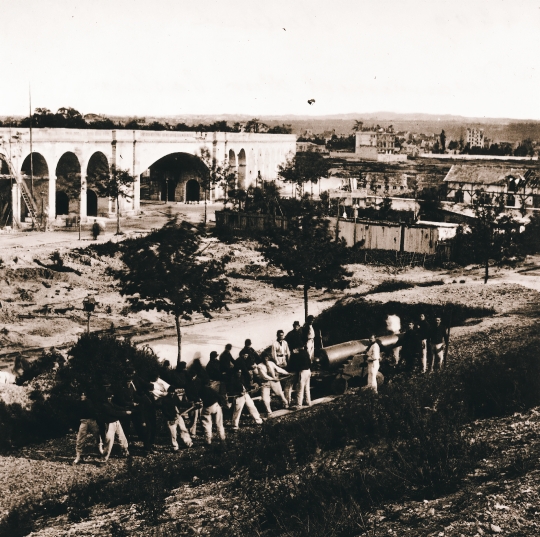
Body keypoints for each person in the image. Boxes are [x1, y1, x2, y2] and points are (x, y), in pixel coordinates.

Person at [96, 389, 132, 463]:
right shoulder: (104, 405)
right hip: (110, 424)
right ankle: (104, 458)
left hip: (116, 422)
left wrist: (128, 409)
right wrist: (125, 412)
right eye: (108, 397)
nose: (109, 398)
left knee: (122, 438)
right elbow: (114, 412)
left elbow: (118, 408)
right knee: (109, 440)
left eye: (110, 397)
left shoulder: (111, 403)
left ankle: (125, 452)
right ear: (105, 397)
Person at [229, 357, 263, 430]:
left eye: (240, 372)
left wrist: (252, 387)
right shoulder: (232, 380)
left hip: (245, 395)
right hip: (238, 397)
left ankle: (258, 421)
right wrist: (239, 393)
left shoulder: (242, 378)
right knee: (237, 411)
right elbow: (231, 392)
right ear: (235, 372)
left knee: (252, 406)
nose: (239, 373)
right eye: (238, 372)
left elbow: (247, 386)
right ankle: (234, 426)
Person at [73, 392, 104, 465]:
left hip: (92, 421)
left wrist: (97, 420)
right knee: (80, 438)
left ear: (86, 396)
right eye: (81, 395)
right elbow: (76, 414)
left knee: (97, 435)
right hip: (83, 421)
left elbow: (95, 411)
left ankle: (101, 450)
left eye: (84, 395)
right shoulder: (78, 403)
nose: (82, 396)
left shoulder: (90, 402)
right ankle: (77, 457)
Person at [161, 386, 194, 450]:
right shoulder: (165, 400)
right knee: (173, 433)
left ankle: (188, 443)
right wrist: (171, 418)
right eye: (171, 392)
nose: (172, 394)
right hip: (170, 419)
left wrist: (190, 404)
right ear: (168, 392)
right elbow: (164, 411)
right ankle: (174, 447)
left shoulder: (175, 397)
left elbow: (180, 403)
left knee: (183, 429)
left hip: (178, 416)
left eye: (173, 392)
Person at [198, 380, 229, 445]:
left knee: (207, 425)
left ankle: (208, 441)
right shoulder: (210, 389)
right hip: (215, 406)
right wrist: (222, 404)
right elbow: (219, 396)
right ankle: (222, 439)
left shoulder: (200, 390)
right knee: (219, 424)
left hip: (206, 408)